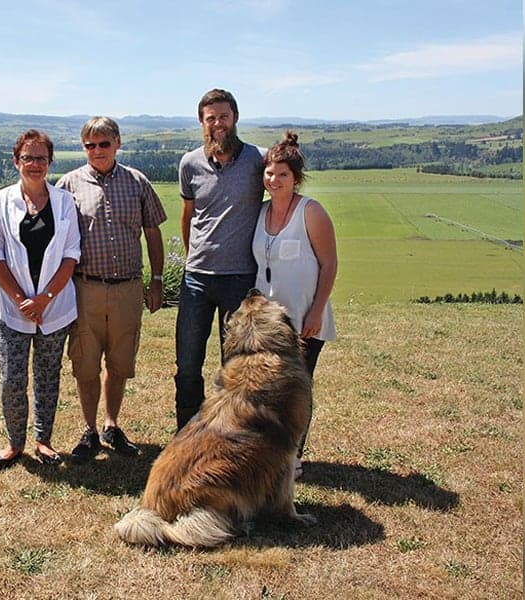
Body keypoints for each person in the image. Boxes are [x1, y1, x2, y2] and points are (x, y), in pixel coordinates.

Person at [56, 116, 167, 463]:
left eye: (104, 143)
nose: (97, 150)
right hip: (84, 288)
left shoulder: (137, 182)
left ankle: (111, 424)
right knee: (85, 363)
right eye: (90, 145)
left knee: (120, 363)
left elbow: (153, 232)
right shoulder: (68, 185)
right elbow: (56, 240)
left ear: (118, 143)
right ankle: (89, 430)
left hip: (127, 289)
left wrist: (157, 280)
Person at [0, 129, 81, 471]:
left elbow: (71, 254)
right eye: (28, 158)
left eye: (41, 158)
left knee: (48, 376)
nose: (35, 164)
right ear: (16, 161)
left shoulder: (65, 202)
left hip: (55, 307)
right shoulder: (0, 201)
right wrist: (22, 300)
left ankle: (44, 440)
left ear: (50, 162)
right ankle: (14, 443)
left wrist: (44, 299)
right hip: (12, 309)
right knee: (12, 379)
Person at [174, 88, 266, 431]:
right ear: (201, 122)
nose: (218, 124)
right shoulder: (189, 163)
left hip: (241, 279)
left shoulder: (258, 160)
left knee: (236, 366)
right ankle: (187, 436)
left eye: (223, 117)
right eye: (210, 118)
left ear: (235, 118)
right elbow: (188, 215)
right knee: (187, 366)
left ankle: (232, 434)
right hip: (197, 279)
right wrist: (193, 257)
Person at [252, 130, 337, 478]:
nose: (274, 180)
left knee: (296, 390)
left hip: (304, 318)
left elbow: (329, 264)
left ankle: (293, 457)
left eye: (282, 174)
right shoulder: (259, 212)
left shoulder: (310, 212)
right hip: (270, 323)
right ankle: (269, 453)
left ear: (296, 178)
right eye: (269, 173)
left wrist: (316, 311)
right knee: (268, 389)